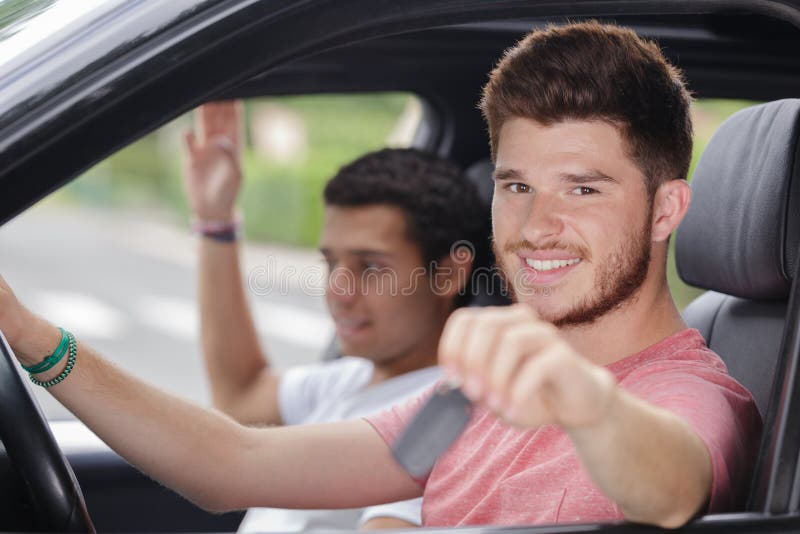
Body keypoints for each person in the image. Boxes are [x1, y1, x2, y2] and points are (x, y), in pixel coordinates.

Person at [0, 21, 762, 530]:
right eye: (516, 185)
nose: (535, 226)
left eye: (583, 189)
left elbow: (672, 489)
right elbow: (233, 464)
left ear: (666, 210)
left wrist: (585, 401)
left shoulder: (692, 395)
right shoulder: (473, 394)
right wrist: (28, 333)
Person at [182, 102, 487, 531]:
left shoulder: (450, 414)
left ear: (448, 274)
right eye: (331, 263)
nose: (337, 291)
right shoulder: (351, 377)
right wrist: (216, 222)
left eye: (371, 267)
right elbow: (240, 396)